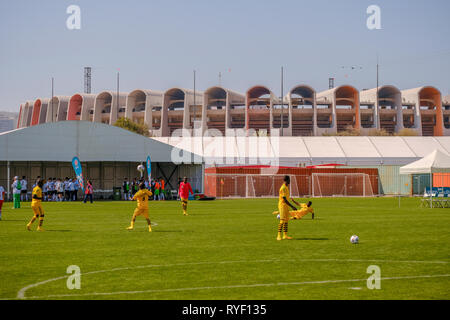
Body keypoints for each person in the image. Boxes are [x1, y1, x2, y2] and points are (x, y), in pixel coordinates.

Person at [276, 176, 300, 241]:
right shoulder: (283, 188)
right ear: (287, 180)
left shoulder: (286, 187)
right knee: (282, 220)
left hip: (286, 206)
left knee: (286, 220)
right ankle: (278, 235)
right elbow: (285, 200)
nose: (290, 181)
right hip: (282, 206)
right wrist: (292, 206)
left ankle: (285, 235)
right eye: (289, 180)